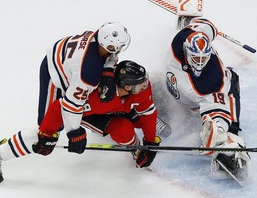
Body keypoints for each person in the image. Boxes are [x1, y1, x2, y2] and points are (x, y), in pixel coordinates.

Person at [0, 60, 161, 183]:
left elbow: (148, 113)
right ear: (126, 86)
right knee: (44, 133)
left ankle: (137, 144)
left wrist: (150, 141)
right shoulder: (93, 95)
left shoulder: (139, 91)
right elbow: (59, 108)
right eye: (141, 83)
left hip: (116, 105)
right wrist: (47, 134)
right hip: (82, 107)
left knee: (141, 119)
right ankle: (2, 153)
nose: (145, 85)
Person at [165, 17, 251, 180]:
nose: (200, 62)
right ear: (187, 50)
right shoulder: (182, 38)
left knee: (226, 124)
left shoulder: (212, 81)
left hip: (202, 99)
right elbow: (205, 25)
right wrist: (208, 25)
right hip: (177, 90)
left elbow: (218, 109)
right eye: (196, 58)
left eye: (204, 58)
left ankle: (230, 138)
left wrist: (218, 129)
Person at [37, 21, 130, 155]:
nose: (119, 50)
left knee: (61, 118)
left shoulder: (99, 35)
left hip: (69, 61)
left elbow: (112, 55)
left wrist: (108, 72)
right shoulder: (88, 73)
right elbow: (72, 104)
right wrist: (75, 133)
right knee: (46, 129)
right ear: (108, 45)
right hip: (54, 69)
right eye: (118, 46)